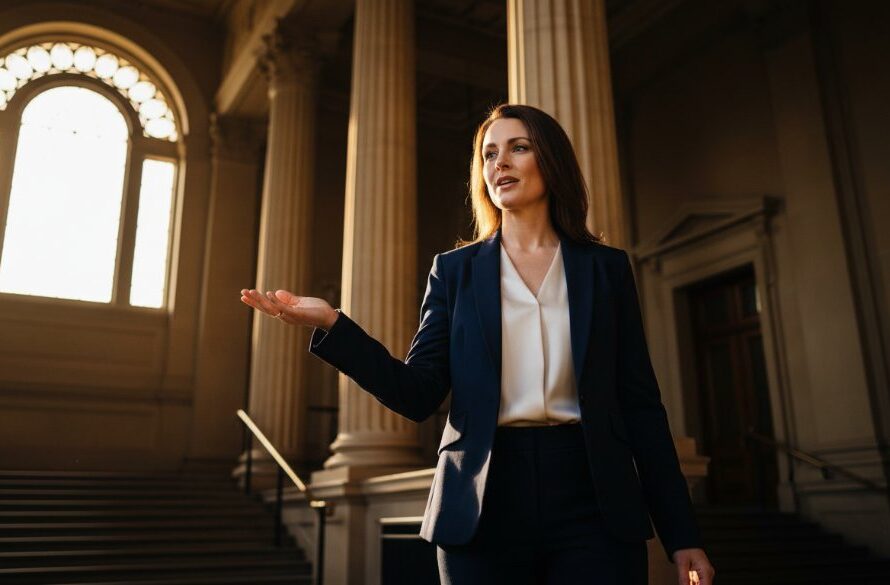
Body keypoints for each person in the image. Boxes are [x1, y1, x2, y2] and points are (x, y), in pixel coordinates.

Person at [240, 104, 715, 585]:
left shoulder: (606, 269)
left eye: (518, 148)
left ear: (551, 162)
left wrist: (682, 534)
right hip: (482, 502)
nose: (499, 163)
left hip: (593, 498)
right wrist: (335, 325)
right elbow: (417, 393)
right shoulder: (455, 271)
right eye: (489, 154)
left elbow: (640, 406)